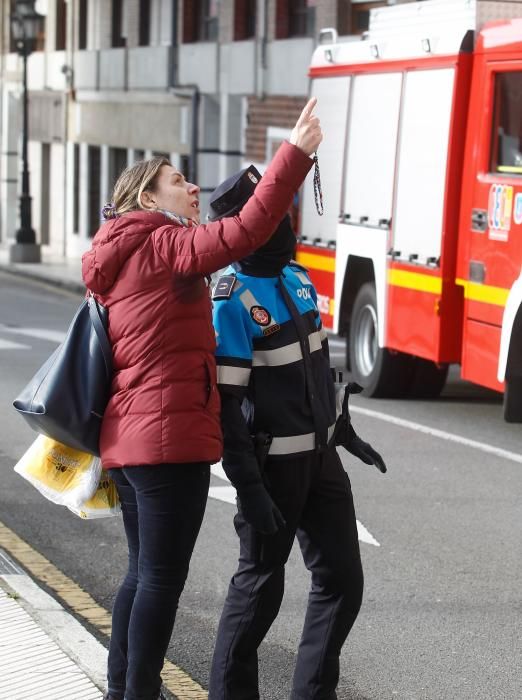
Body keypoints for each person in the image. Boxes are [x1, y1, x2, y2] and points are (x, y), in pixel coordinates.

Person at [81, 98, 323, 700]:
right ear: (148, 199)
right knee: (161, 579)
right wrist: (293, 157)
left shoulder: (122, 247)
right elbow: (246, 230)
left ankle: (123, 689)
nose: (191, 187)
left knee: (142, 573)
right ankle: (136, 693)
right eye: (177, 181)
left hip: (131, 441)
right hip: (166, 443)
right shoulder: (162, 246)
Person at [207, 172, 387, 700]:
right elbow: (227, 408)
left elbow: (315, 368)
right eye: (275, 215)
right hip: (272, 468)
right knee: (260, 590)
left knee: (342, 582)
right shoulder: (230, 297)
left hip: (321, 460)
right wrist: (249, 486)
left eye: (285, 213)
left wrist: (342, 426)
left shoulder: (296, 274)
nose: (286, 223)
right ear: (249, 224)